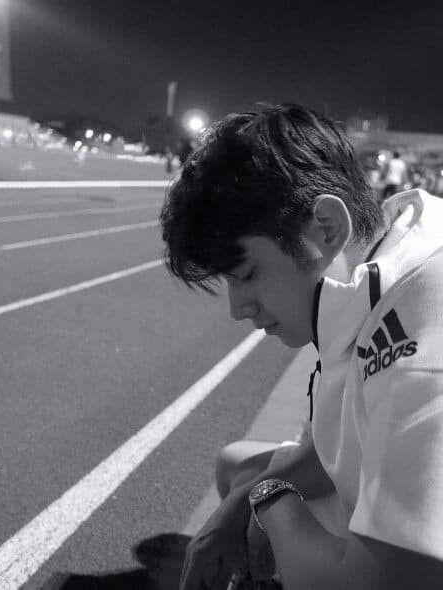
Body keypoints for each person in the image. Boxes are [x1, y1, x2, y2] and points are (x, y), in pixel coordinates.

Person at [159, 103, 443, 589]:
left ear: (327, 227)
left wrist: (267, 501)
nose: (238, 307)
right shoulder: (382, 254)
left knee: (256, 487)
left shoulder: (425, 332)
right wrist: (238, 505)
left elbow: (376, 584)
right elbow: (323, 449)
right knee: (236, 467)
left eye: (247, 274)